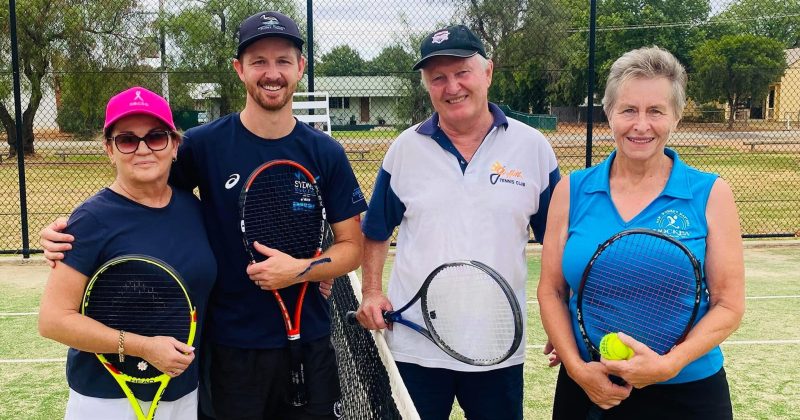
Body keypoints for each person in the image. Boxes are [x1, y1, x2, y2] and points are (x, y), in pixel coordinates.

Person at [39, 11, 367, 420]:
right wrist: (69, 230)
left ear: (300, 67)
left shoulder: (327, 153)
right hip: (227, 349)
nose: (272, 73)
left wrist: (302, 270)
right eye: (258, 61)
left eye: (283, 60)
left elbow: (352, 247)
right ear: (239, 70)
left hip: (311, 341)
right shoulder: (201, 145)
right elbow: (139, 191)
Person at [354, 24, 560, 420]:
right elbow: (376, 230)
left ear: (488, 72)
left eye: (462, 72)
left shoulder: (533, 146)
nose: (452, 87)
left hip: (498, 348)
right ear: (427, 86)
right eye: (438, 78)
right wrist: (373, 292)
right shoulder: (405, 148)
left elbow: (555, 241)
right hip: (415, 346)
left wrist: (559, 314)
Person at [537, 46, 745, 419]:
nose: (641, 125)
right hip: (590, 386)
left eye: (656, 111)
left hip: (688, 392)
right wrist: (576, 367)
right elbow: (551, 290)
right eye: (629, 110)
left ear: (676, 117)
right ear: (610, 113)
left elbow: (728, 305)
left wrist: (670, 364)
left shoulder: (711, 193)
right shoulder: (572, 189)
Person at [38, 86, 217, 420]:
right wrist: (143, 347)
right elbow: (53, 321)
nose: (143, 149)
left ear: (175, 145)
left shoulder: (194, 210)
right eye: (127, 140)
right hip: (107, 399)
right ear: (110, 150)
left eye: (156, 137)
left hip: (183, 394)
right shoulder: (90, 220)